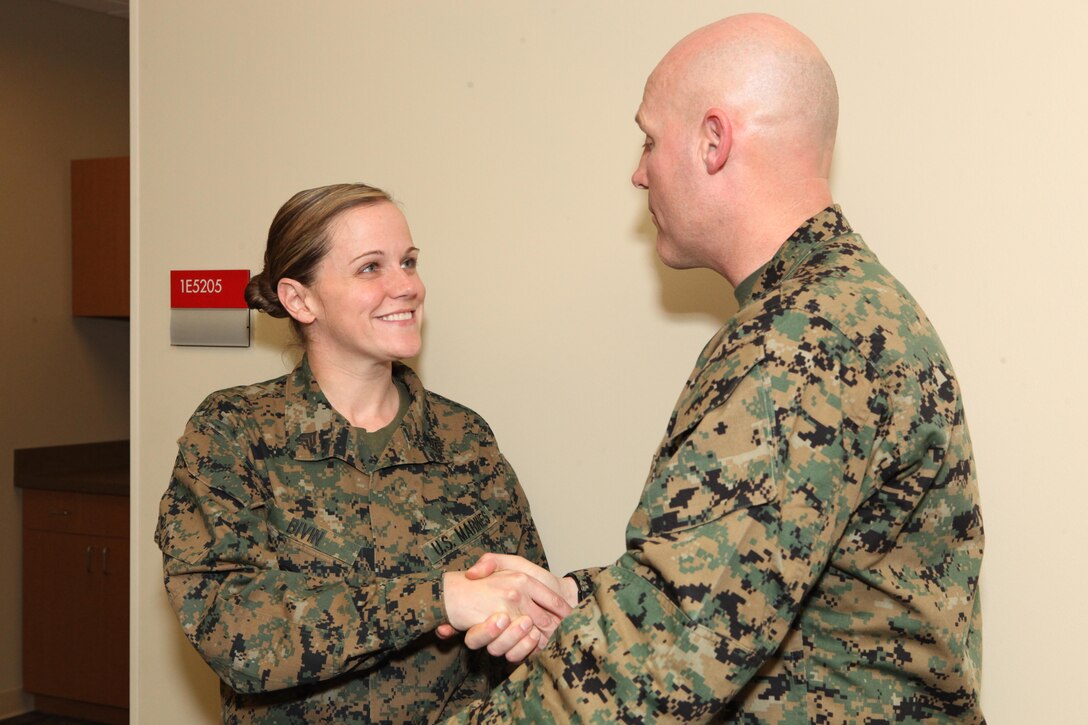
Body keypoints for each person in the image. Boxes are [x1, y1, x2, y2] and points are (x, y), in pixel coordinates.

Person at [444, 13, 985, 723]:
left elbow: (665, 659)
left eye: (649, 139)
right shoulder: (839, 303)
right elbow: (750, 576)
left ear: (713, 140)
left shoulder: (799, 340)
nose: (638, 172)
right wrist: (573, 600)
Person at [154, 183, 572, 724]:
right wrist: (438, 599)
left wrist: (528, 627)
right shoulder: (234, 433)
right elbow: (233, 632)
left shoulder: (463, 435)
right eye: (371, 268)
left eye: (409, 261)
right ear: (300, 299)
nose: (407, 286)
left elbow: (525, 606)